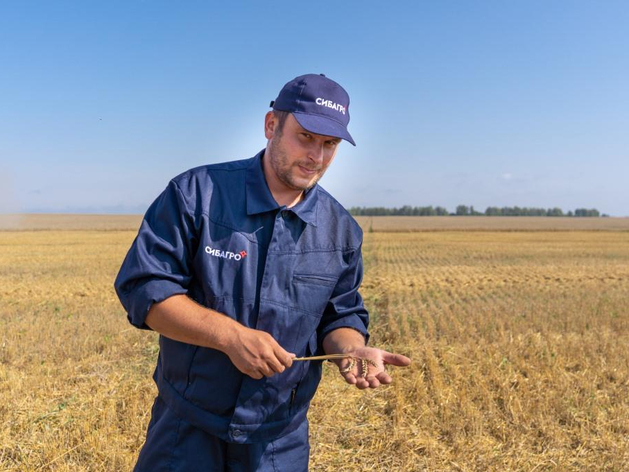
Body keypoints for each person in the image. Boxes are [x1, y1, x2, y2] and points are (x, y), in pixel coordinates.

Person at [114, 73, 411, 472]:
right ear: (272, 125)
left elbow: (339, 316)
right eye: (305, 137)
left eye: (330, 144)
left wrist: (349, 349)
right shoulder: (197, 195)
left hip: (278, 440)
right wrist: (230, 337)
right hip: (187, 426)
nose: (317, 157)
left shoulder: (341, 231)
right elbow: (145, 290)